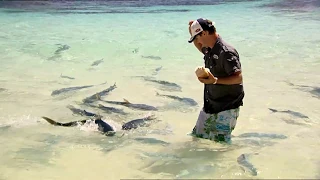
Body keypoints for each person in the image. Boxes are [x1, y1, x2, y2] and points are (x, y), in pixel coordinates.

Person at [188, 18, 245, 143]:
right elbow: (199, 46)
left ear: (204, 33)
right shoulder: (209, 48)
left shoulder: (226, 52)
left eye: (197, 37)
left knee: (221, 145)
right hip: (211, 104)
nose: (198, 42)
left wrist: (215, 81)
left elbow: (238, 77)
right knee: (196, 137)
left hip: (226, 107)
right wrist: (191, 33)